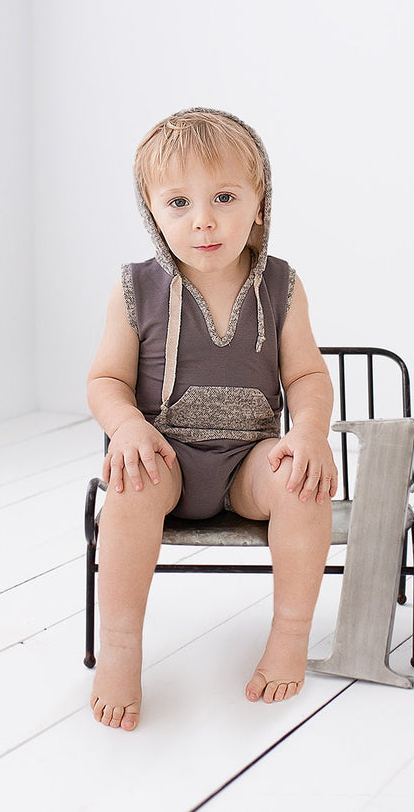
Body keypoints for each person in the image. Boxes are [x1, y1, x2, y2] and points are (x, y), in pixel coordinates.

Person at [85, 107, 338, 731]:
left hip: (246, 463)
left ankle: (290, 636)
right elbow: (106, 380)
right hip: (164, 457)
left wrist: (306, 433)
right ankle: (118, 652)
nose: (203, 220)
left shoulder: (280, 285)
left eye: (224, 197)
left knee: (303, 491)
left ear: (259, 203)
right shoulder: (135, 288)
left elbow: (306, 375)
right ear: (152, 210)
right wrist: (127, 426)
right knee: (128, 488)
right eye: (178, 202)